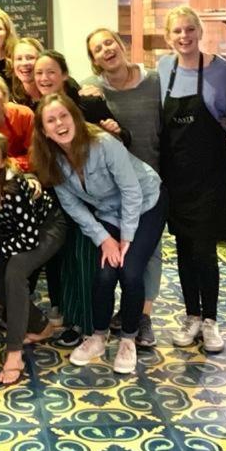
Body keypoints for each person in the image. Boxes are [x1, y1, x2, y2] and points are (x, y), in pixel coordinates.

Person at [31, 95, 165, 375]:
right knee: (104, 272)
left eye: (64, 116)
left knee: (129, 271)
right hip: (109, 211)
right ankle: (98, 337)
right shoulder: (51, 160)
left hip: (147, 202)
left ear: (75, 118)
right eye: (51, 120)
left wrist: (126, 238)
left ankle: (128, 339)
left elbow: (131, 191)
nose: (60, 124)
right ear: (44, 130)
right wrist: (104, 238)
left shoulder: (104, 144)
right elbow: (73, 206)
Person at [157, 6, 226, 354]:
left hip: (209, 177)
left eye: (190, 30)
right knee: (185, 250)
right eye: (177, 32)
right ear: (168, 37)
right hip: (176, 179)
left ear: (199, 32)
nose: (184, 37)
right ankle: (191, 316)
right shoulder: (162, 69)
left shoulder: (223, 71)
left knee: (205, 250)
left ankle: (211, 321)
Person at [84, 28, 164, 347]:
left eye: (109, 43)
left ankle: (143, 316)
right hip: (113, 186)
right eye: (97, 48)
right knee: (121, 257)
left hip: (152, 178)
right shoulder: (93, 92)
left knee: (150, 252)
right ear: (93, 60)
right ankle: (124, 311)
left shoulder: (154, 81)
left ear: (122, 45)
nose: (106, 50)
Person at [0, 130, 66, 385]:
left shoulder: (11, 187)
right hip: (13, 233)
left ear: (2, 162)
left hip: (46, 228)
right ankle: (41, 325)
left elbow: (29, 239)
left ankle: (14, 355)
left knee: (15, 272)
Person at [10, 37, 44, 108]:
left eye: (30, 58)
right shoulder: (11, 102)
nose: (24, 63)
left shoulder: (62, 90)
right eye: (19, 59)